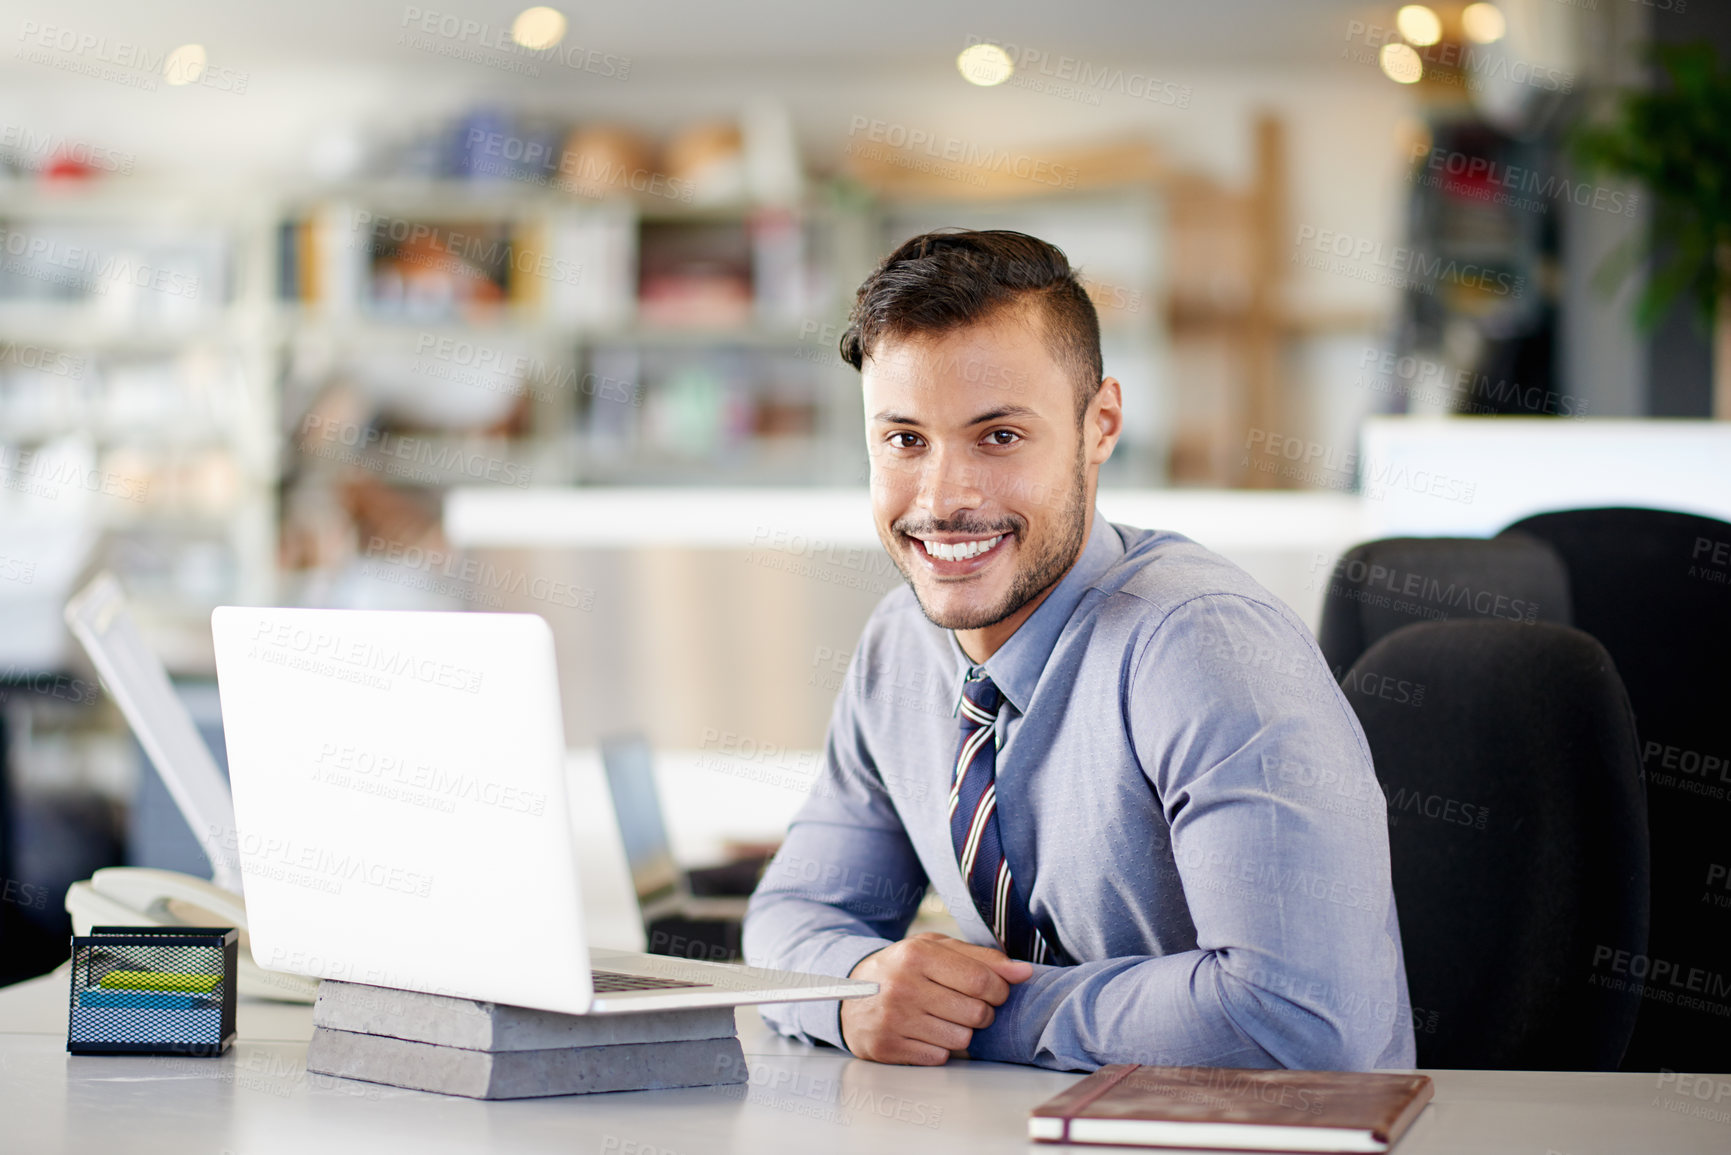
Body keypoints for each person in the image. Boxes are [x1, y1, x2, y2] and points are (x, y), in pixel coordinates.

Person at [743, 229, 1415, 1072]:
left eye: (998, 436)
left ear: (1100, 425)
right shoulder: (900, 645)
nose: (943, 497)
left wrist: (967, 1018)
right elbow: (790, 917)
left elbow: (1300, 1020)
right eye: (905, 440)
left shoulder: (1203, 645)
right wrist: (856, 986)